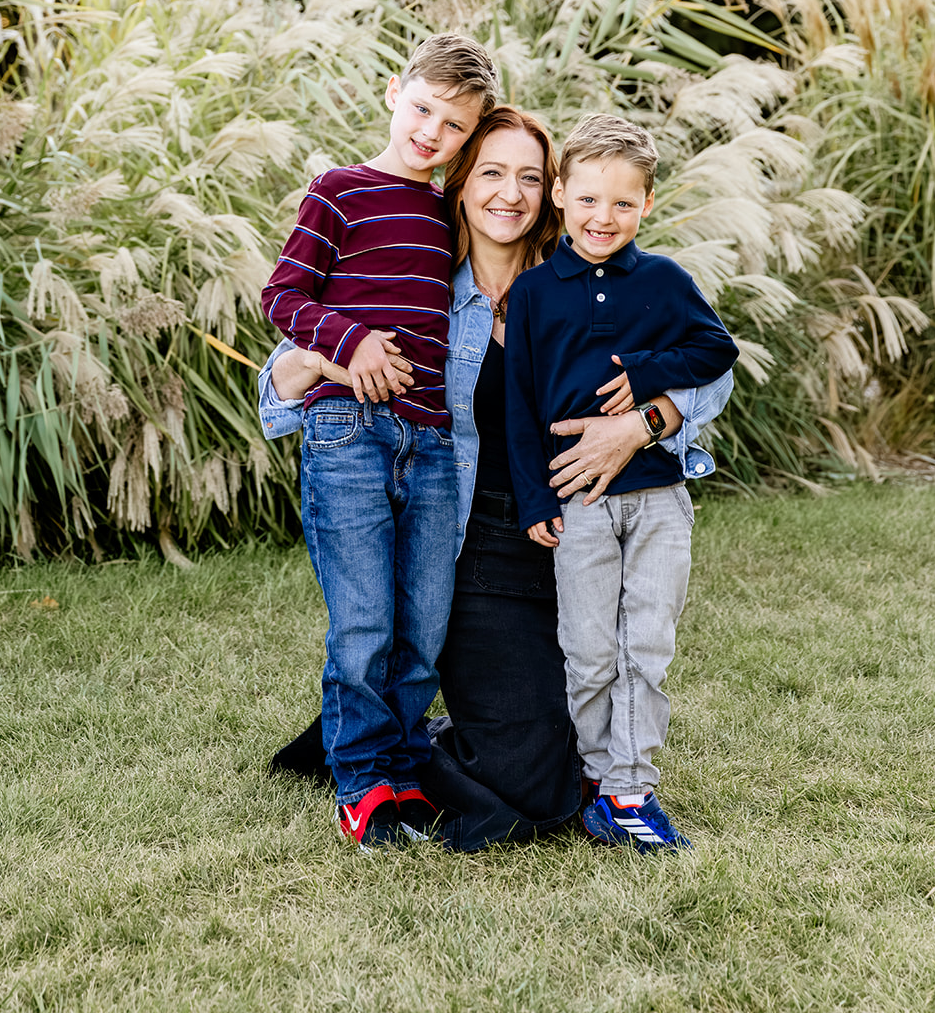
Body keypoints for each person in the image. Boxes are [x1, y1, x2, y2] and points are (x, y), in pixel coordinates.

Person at [261, 105, 734, 851]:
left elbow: (711, 369)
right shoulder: (420, 288)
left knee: (574, 740)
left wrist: (643, 423)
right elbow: (281, 387)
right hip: (469, 556)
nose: (508, 194)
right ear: (458, 183)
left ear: (550, 191)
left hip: (572, 538)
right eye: (489, 173)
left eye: (528, 176)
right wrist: (327, 357)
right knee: (533, 783)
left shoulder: (581, 278)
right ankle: (388, 747)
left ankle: (407, 720)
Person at [259, 32, 499, 850]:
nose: (431, 131)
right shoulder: (339, 191)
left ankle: (402, 768)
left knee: (422, 625)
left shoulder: (446, 214)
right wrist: (346, 343)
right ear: (393, 93)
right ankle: (361, 784)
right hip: (347, 432)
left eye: (454, 126)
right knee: (362, 623)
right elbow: (282, 294)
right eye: (424, 108)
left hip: (430, 443)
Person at [507, 113, 739, 855]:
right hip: (576, 501)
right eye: (586, 200)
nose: (602, 217)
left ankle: (629, 789)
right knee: (587, 649)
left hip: (657, 499)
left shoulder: (664, 280)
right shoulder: (537, 293)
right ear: (561, 199)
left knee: (647, 642)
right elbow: (520, 404)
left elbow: (714, 347)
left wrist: (647, 379)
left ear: (645, 206)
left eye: (622, 203)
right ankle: (591, 774)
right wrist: (536, 499)